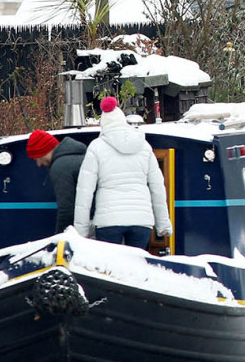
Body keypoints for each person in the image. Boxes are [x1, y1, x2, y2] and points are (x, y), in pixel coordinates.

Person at [73, 96, 172, 249]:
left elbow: (85, 191)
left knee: (109, 269)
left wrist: (81, 230)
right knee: (136, 267)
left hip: (108, 221)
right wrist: (163, 224)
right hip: (141, 220)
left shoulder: (96, 147)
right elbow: (158, 187)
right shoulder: (144, 146)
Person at [26, 129, 87, 233]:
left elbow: (66, 209)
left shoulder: (60, 167)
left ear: (43, 152)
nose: (38, 164)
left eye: (36, 158)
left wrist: (59, 237)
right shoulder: (82, 156)